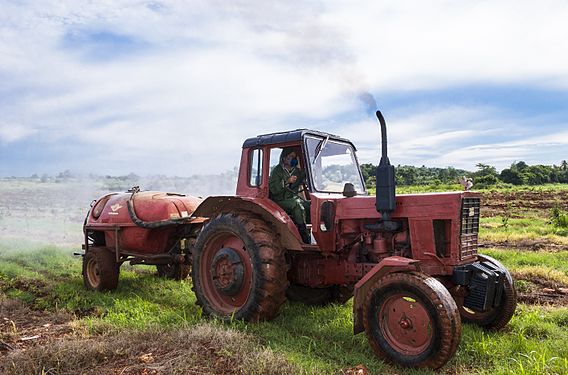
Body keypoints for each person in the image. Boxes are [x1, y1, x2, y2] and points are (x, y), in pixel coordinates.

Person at [269, 147, 311, 244]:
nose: (293, 159)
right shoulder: (277, 171)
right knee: (297, 205)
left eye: (294, 157)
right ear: (284, 158)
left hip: (293, 198)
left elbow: (304, 179)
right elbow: (274, 189)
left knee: (310, 206)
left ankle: (313, 233)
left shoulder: (297, 171)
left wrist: (306, 179)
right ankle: (304, 236)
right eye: (290, 156)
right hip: (280, 200)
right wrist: (287, 181)